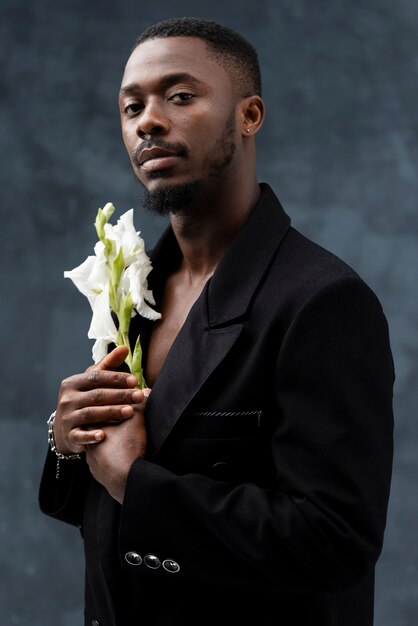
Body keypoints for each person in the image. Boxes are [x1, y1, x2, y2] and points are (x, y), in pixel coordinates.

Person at [39, 17, 394, 626]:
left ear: (249, 115)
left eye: (180, 96)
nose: (148, 121)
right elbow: (101, 514)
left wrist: (136, 482)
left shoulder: (323, 301)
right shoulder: (134, 286)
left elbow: (335, 544)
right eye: (131, 107)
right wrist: (68, 438)